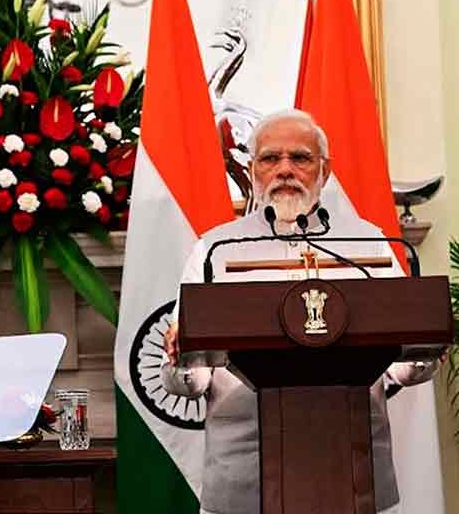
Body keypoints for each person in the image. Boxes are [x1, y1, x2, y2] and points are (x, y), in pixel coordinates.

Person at [161, 110, 439, 514]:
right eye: (270, 159)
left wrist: (421, 353)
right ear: (252, 170)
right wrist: (183, 357)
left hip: (354, 468)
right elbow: (186, 379)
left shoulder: (369, 242)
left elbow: (400, 365)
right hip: (245, 475)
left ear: (325, 172)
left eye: (301, 158)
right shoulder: (215, 250)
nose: (285, 170)